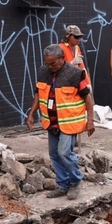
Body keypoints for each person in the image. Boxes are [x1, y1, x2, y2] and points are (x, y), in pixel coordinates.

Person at [26, 44, 95, 200]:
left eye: (53, 63)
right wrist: (31, 114)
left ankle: (76, 181)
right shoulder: (43, 72)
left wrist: (90, 121)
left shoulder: (76, 74)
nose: (50, 67)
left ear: (62, 58)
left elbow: (87, 97)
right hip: (51, 122)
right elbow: (38, 94)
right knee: (54, 155)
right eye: (47, 63)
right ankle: (63, 185)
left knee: (64, 153)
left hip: (69, 122)